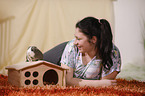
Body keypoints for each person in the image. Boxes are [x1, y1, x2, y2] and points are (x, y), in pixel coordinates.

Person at [43, 16, 121, 87]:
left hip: (77, 51)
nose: (75, 42)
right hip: (60, 54)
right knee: (35, 64)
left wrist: (101, 83)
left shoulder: (112, 53)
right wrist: (98, 83)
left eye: (79, 39)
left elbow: (107, 83)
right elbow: (67, 81)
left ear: (93, 40)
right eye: (75, 38)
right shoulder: (72, 46)